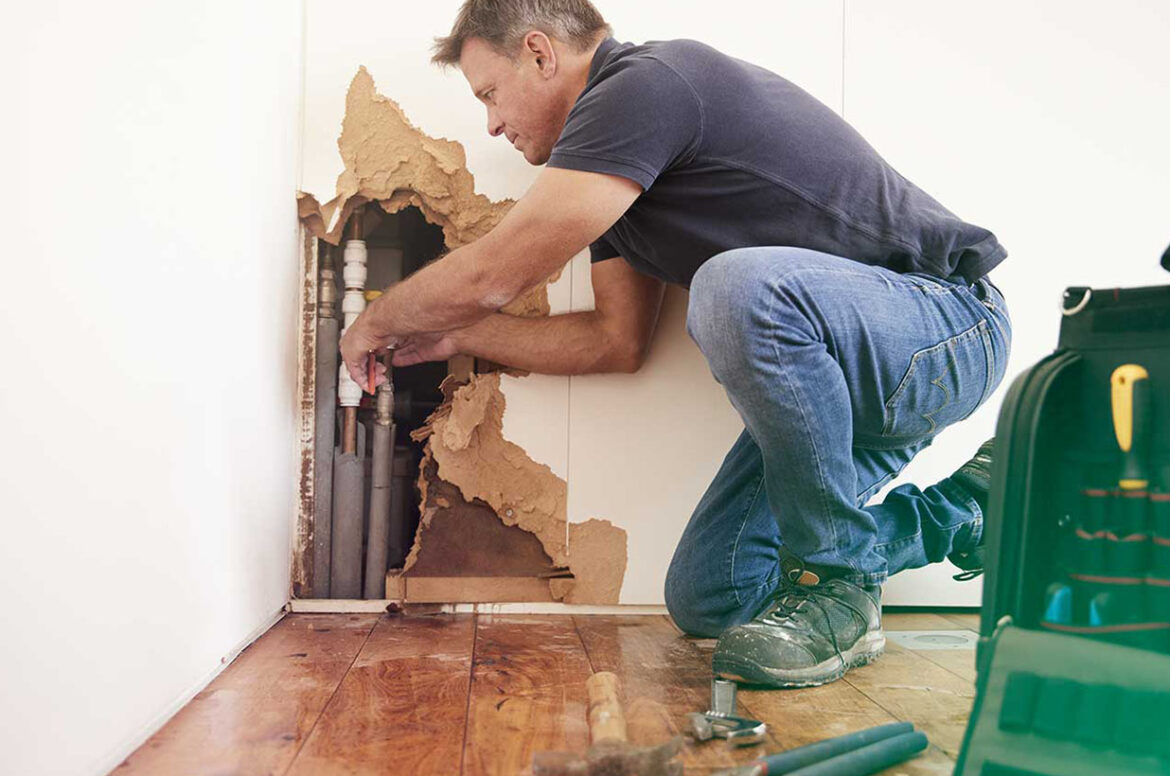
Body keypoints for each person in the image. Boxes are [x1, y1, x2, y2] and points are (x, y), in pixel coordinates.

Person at [340, 0, 1010, 688]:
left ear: (540, 53)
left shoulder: (649, 83)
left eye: (490, 94)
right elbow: (613, 340)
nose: (491, 123)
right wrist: (455, 333)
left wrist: (380, 319)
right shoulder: (613, 188)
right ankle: (970, 511)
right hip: (837, 388)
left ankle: (837, 586)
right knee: (714, 593)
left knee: (736, 285)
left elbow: (500, 270)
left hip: (945, 330)